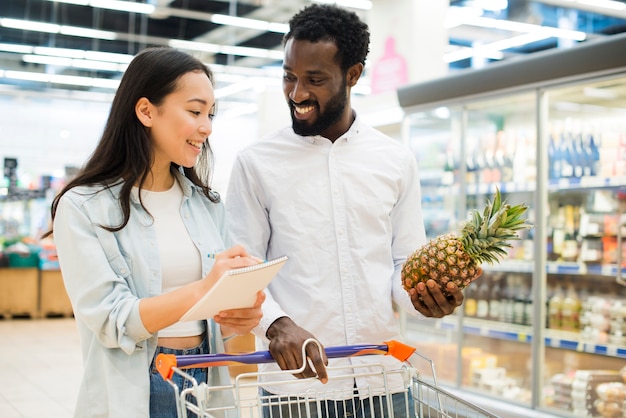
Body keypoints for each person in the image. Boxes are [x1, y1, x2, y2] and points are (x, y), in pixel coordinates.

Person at [225, 4, 476, 417]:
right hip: (296, 390)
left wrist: (423, 299)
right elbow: (241, 272)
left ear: (353, 75)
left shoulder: (395, 161)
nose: (297, 93)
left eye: (315, 80)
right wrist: (277, 325)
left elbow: (401, 265)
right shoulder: (257, 163)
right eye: (289, 77)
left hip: (385, 382)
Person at [44, 46, 265, 418]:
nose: (207, 127)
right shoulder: (82, 206)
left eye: (210, 114)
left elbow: (231, 334)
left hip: (206, 376)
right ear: (146, 110)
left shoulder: (206, 204)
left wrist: (241, 314)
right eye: (195, 111)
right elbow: (113, 319)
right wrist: (205, 288)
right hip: (138, 384)